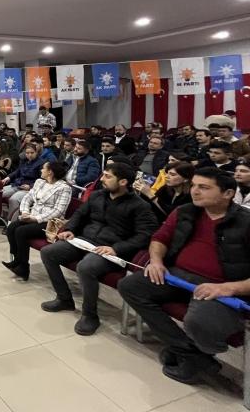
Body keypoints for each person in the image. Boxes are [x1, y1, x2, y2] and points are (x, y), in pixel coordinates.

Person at [118, 168, 250, 384]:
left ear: (227, 194)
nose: (194, 191)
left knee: (198, 321)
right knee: (130, 286)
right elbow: (159, 239)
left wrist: (228, 288)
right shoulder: (185, 211)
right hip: (178, 276)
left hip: (222, 286)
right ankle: (191, 354)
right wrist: (156, 261)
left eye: (203, 187)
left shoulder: (245, 222)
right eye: (194, 185)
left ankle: (194, 353)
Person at [40, 162, 158, 336]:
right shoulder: (97, 195)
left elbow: (145, 235)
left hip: (111, 249)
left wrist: (116, 248)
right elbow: (80, 214)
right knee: (48, 252)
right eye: (103, 175)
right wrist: (69, 229)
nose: (102, 179)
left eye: (108, 176)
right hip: (85, 240)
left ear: (123, 182)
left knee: (86, 267)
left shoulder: (139, 206)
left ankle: (90, 315)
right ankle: (64, 299)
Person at [3, 161, 72, 280]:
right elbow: (27, 198)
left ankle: (23, 267)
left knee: (21, 231)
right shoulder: (39, 182)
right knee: (12, 227)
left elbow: (58, 211)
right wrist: (25, 212)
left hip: (49, 222)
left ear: (50, 172)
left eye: (43, 168)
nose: (41, 170)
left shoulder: (64, 188)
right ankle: (17, 260)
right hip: (32, 216)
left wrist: (35, 219)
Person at [1, 143, 44, 221]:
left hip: (30, 189)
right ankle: (1, 218)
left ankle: (12, 222)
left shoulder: (41, 163)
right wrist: (8, 177)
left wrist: (30, 186)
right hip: (18, 184)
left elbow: (42, 180)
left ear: (36, 152)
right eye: (27, 153)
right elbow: (17, 171)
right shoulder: (24, 161)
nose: (29, 155)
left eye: (32, 153)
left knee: (14, 199)